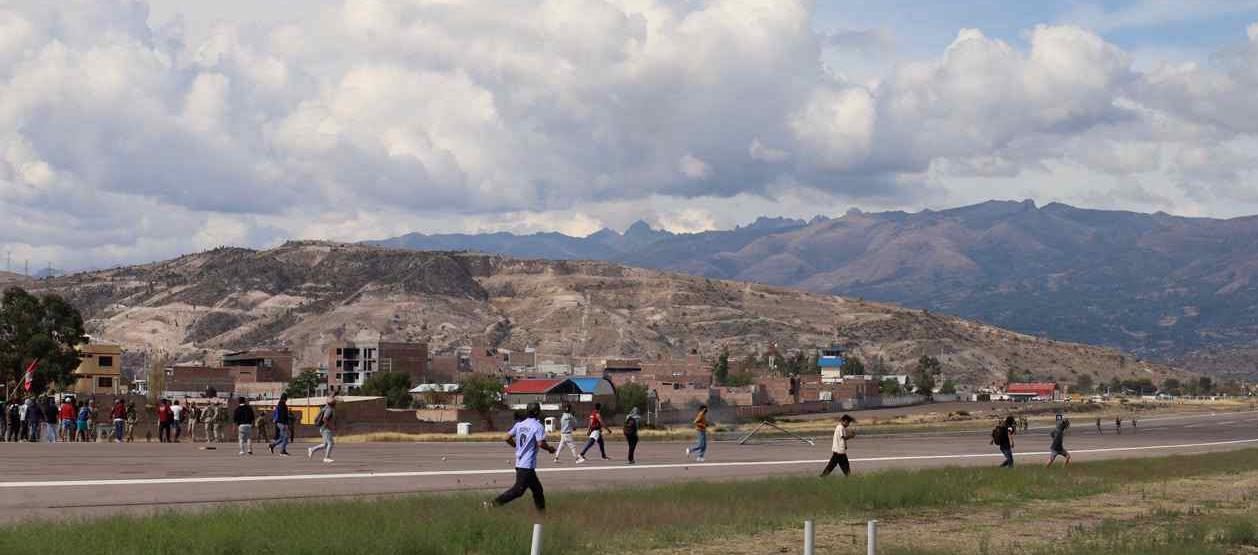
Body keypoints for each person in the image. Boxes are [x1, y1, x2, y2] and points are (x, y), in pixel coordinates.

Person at [486, 403, 555, 512]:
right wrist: (550, 449)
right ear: (537, 412)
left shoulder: (520, 425)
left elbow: (506, 437)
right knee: (518, 490)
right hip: (526, 465)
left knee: (537, 490)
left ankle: (542, 515)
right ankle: (491, 505)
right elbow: (541, 443)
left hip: (520, 463)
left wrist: (516, 446)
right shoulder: (537, 426)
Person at [307, 397, 336, 463]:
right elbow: (325, 418)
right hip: (325, 428)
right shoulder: (329, 409)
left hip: (323, 428)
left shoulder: (326, 407)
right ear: (333, 404)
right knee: (330, 443)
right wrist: (329, 426)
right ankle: (326, 457)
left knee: (325, 444)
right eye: (335, 402)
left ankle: (312, 449)